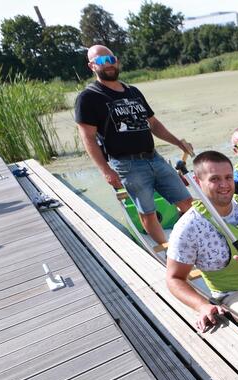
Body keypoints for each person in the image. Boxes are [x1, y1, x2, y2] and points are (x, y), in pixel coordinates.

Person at [75, 45, 193, 246]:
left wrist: (178, 142)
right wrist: (105, 170)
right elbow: (88, 138)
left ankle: (194, 243)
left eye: (111, 59)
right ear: (91, 66)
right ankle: (166, 254)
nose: (109, 64)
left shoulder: (132, 91)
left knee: (187, 204)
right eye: (102, 61)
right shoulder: (88, 97)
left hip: (154, 157)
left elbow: (153, 124)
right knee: (148, 212)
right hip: (127, 165)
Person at [166, 151, 238, 339]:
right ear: (197, 181)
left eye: (228, 177)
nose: (224, 185)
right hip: (237, 294)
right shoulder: (188, 226)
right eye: (215, 179)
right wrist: (202, 305)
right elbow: (174, 278)